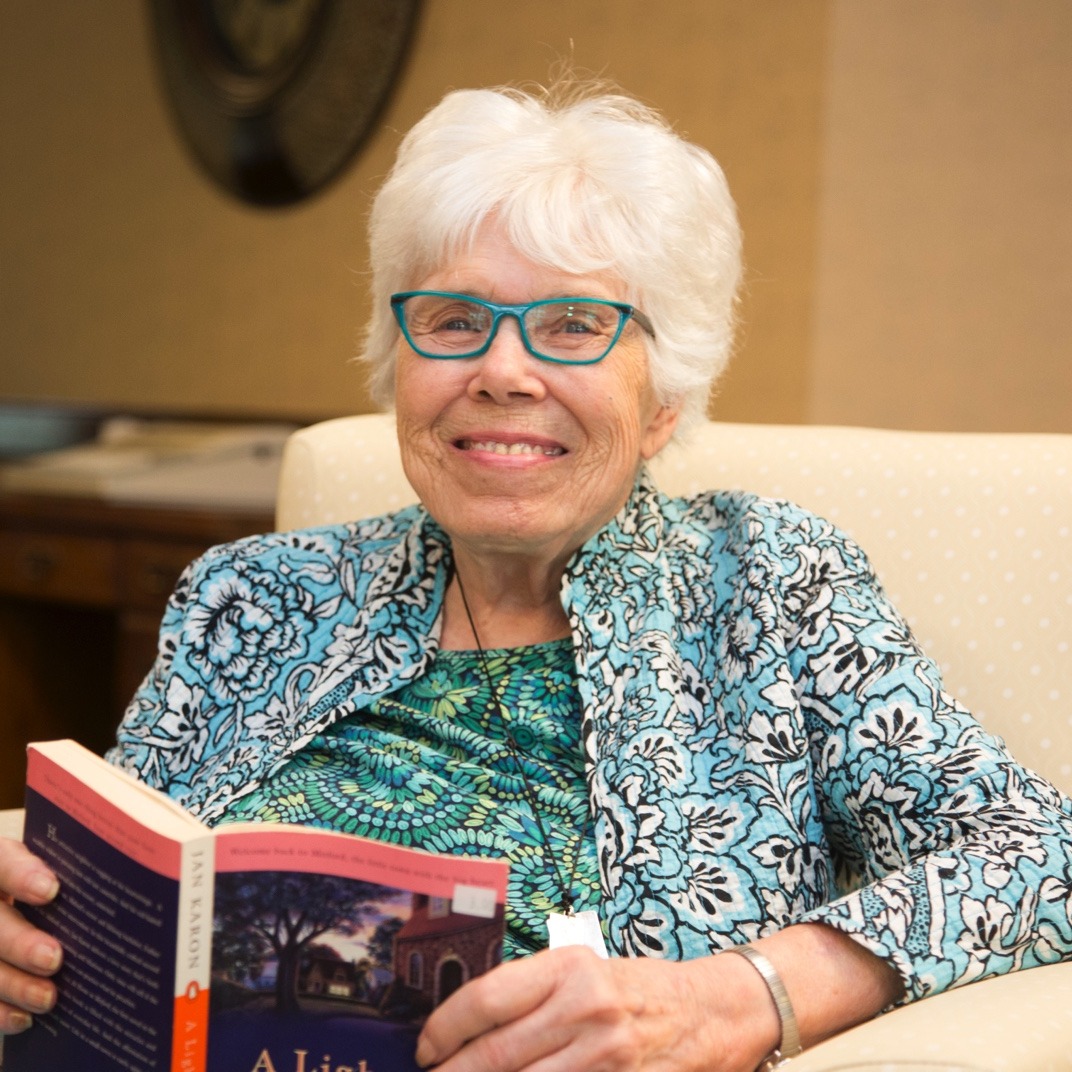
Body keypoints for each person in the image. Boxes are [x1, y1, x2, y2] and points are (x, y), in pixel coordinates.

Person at [1, 80, 1070, 1072]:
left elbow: (1037, 857)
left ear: (663, 399)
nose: (502, 371)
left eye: (572, 324)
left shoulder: (769, 579)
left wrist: (738, 998)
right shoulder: (253, 595)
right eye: (455, 320)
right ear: (397, 365)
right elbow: (119, 893)